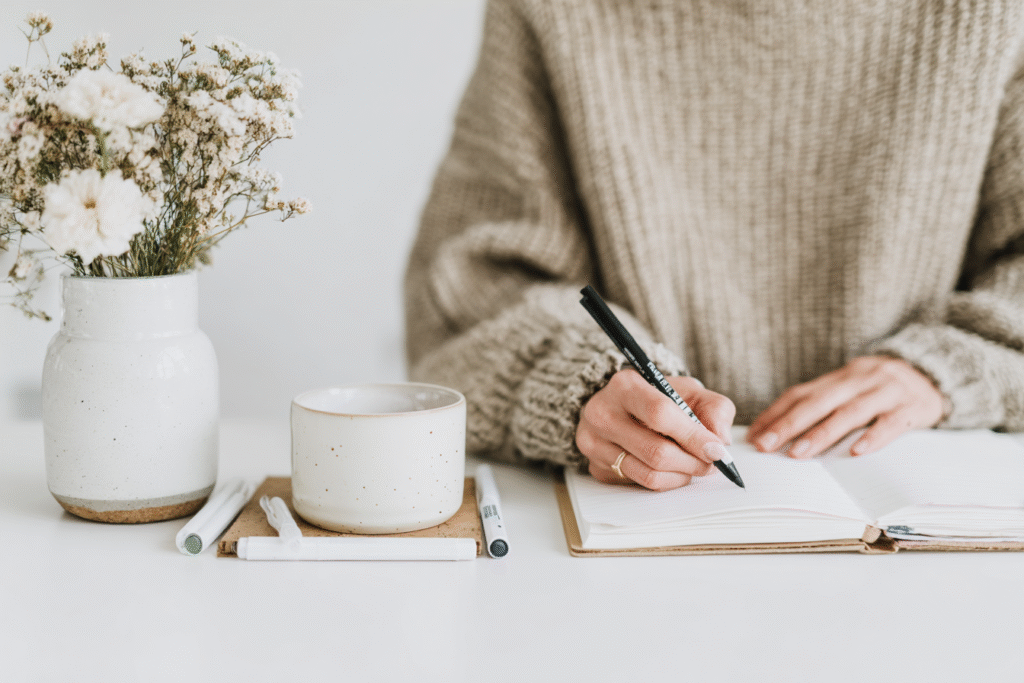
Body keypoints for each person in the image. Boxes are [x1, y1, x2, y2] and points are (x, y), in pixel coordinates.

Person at [404, 0, 1024, 491]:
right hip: (629, 536)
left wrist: (946, 369)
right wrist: (585, 383)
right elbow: (468, 297)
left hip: (932, 527)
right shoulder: (554, 10)